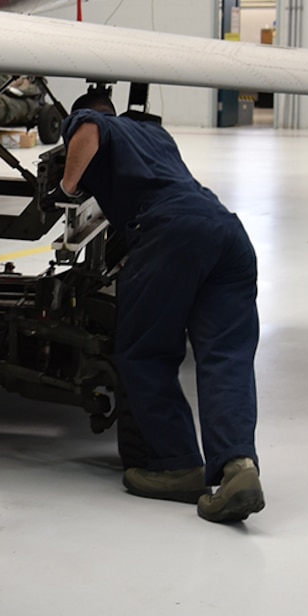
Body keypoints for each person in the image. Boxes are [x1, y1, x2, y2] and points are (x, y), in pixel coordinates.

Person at [59, 84, 265, 523]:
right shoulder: (154, 134)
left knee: (144, 353)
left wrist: (70, 184)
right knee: (225, 356)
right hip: (226, 231)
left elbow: (89, 129)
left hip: (169, 232)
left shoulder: (96, 120)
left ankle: (177, 466)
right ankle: (238, 470)